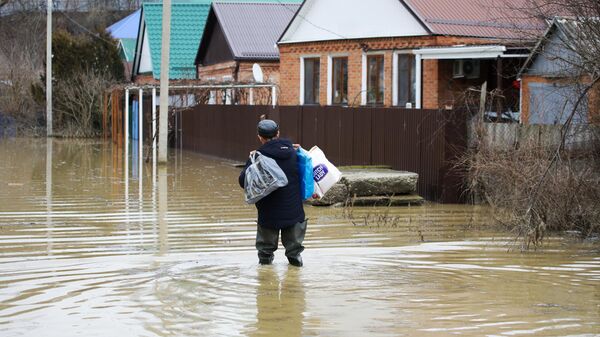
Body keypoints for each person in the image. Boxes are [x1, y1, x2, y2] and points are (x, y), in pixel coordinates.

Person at [239, 119, 307, 267]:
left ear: (259, 137)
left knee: (265, 254)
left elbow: (243, 181)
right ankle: (295, 284)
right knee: (294, 253)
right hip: (293, 212)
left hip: (268, 214)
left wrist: (251, 161)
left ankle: (265, 285)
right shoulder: (294, 152)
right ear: (278, 133)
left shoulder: (257, 157)